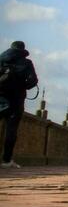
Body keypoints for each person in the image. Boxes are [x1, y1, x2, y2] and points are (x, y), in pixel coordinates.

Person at [0, 40, 38, 169]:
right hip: (16, 100)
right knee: (11, 130)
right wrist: (24, 86)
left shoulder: (1, 59)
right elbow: (33, 80)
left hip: (1, 98)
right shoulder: (26, 63)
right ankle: (6, 160)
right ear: (23, 50)